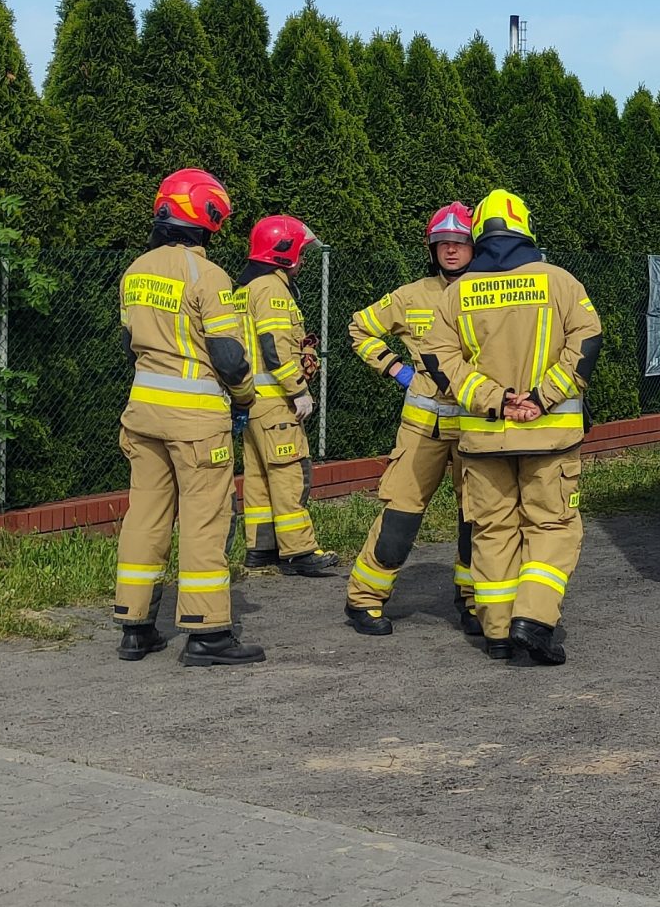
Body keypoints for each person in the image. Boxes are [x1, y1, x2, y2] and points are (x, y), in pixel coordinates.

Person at [424, 188, 600, 664]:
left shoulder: (457, 293)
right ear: (525, 226)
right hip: (549, 436)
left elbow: (438, 360)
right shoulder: (561, 282)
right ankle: (534, 621)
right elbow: (587, 342)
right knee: (552, 526)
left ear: (478, 232)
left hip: (484, 438)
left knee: (492, 530)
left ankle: (498, 632)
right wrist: (542, 397)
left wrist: (496, 400)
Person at [112, 167, 264, 666]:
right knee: (204, 521)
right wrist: (245, 398)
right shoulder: (209, 276)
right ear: (209, 216)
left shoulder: (135, 271)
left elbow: (129, 344)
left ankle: (135, 627)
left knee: (145, 515)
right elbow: (229, 358)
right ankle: (207, 634)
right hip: (196, 422)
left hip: (142, 413)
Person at [343, 202, 477, 637]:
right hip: (423, 429)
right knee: (400, 517)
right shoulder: (410, 295)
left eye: (460, 242)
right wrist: (396, 370)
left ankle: (474, 602)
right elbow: (359, 328)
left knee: (477, 519)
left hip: (477, 428)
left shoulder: (491, 291)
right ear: (431, 248)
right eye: (443, 243)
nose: (451, 250)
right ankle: (364, 599)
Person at [235, 214, 343, 580]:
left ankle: (261, 548)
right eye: (301, 252)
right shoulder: (272, 289)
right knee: (289, 474)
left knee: (258, 476)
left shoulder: (246, 289)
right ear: (283, 252)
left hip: (252, 402)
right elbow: (275, 346)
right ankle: (300, 551)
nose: (304, 259)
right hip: (276, 401)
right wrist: (298, 389)